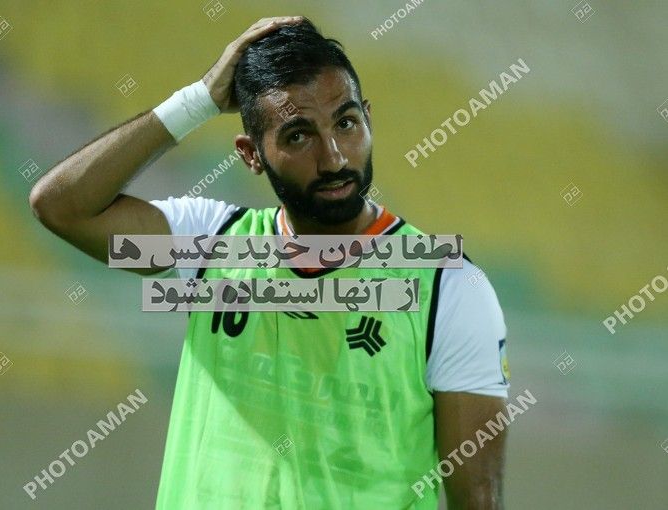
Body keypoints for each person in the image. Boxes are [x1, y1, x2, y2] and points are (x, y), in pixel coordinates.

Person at [29, 16, 510, 510]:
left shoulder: (448, 285)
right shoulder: (211, 243)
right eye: (298, 136)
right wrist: (198, 100)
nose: (334, 158)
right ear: (251, 155)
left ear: (369, 119)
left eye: (346, 124)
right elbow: (61, 206)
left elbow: (478, 500)